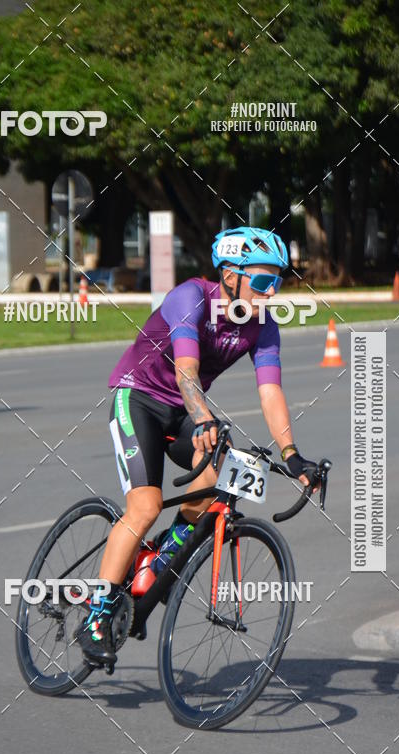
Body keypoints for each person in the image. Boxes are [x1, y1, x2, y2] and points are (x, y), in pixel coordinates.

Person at [76, 226, 318, 667]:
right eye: (263, 282)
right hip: (140, 398)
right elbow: (187, 370)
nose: (271, 293)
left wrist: (292, 455)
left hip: (186, 411)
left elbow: (270, 392)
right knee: (145, 507)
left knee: (220, 480)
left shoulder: (262, 326)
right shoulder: (191, 298)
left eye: (278, 283)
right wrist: (205, 416)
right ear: (230, 276)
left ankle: (161, 560)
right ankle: (95, 613)